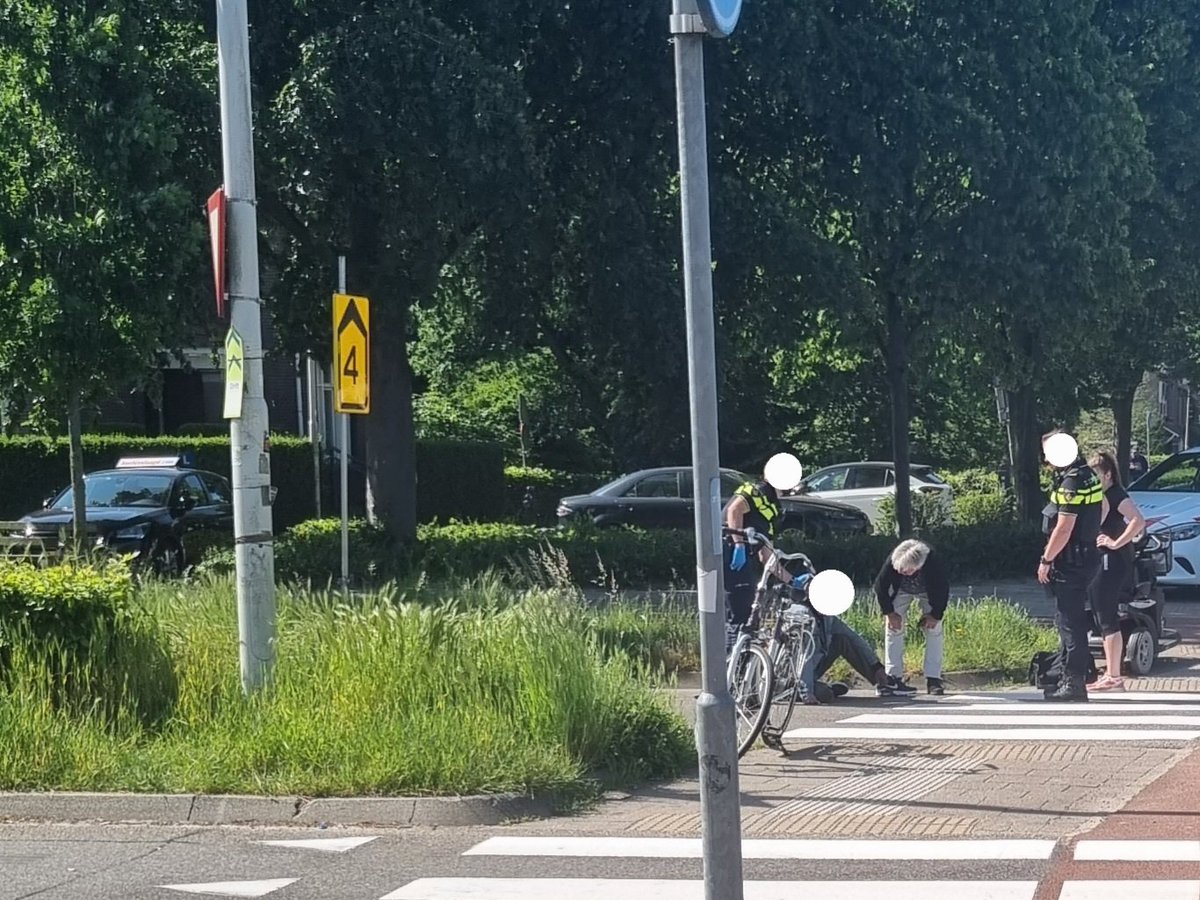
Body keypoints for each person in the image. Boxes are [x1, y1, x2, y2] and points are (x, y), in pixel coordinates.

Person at [1038, 431, 1104, 702]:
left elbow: (1064, 528)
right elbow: (1103, 507)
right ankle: (1068, 674)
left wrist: (1046, 559)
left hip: (1071, 560)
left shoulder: (1070, 483)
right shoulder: (1088, 475)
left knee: (1070, 622)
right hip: (1086, 556)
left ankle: (1074, 682)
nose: (1045, 459)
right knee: (1068, 619)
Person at [723, 456, 805, 650]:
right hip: (727, 550)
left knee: (746, 611)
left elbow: (767, 555)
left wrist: (792, 580)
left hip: (741, 557)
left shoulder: (773, 507)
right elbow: (734, 511)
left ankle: (739, 665)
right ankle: (730, 668)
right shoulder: (755, 491)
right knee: (740, 614)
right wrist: (739, 544)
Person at [1087, 450, 1147, 691]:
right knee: (1101, 613)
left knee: (1106, 612)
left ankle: (1113, 675)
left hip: (1113, 560)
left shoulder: (1115, 494)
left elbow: (1137, 520)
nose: (1092, 481)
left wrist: (1116, 542)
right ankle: (1110, 672)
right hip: (1103, 559)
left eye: (1096, 476)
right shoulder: (1102, 495)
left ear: (1108, 474)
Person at [874, 539, 949, 695]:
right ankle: (893, 678)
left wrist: (935, 615)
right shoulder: (894, 560)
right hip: (901, 589)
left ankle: (933, 678)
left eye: (906, 571)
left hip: (929, 591)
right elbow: (880, 587)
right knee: (893, 628)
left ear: (918, 566)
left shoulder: (933, 561)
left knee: (934, 629)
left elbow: (943, 589)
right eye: (898, 570)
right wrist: (890, 613)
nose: (901, 573)